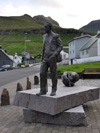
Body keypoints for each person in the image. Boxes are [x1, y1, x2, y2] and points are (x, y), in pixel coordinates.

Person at [36, 22, 63, 96]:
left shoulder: (55, 36)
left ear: (49, 28)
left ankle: (54, 90)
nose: (44, 29)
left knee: (53, 74)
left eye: (45, 27)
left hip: (52, 57)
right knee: (42, 73)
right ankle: (43, 90)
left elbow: (60, 46)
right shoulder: (44, 36)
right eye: (44, 27)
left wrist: (54, 54)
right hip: (45, 58)